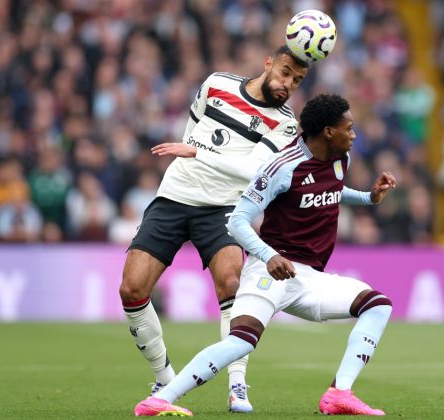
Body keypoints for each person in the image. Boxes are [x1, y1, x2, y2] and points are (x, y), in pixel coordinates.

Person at [133, 94, 396, 417]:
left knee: (378, 305)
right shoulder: (281, 168)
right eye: (349, 128)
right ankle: (159, 400)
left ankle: (339, 393)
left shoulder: (341, 160)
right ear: (328, 131)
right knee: (241, 342)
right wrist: (269, 255)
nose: (354, 134)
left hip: (309, 278)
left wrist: (368, 198)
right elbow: (238, 220)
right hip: (269, 271)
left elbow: (330, 192)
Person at [119, 45, 309, 413]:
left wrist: (198, 154)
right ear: (268, 63)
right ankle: (164, 378)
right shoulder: (217, 83)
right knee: (131, 288)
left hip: (223, 208)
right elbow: (194, 127)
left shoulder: (285, 122)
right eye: (286, 72)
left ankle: (237, 384)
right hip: (174, 195)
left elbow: (253, 170)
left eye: (297, 81)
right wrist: (192, 158)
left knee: (232, 284)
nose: (288, 84)